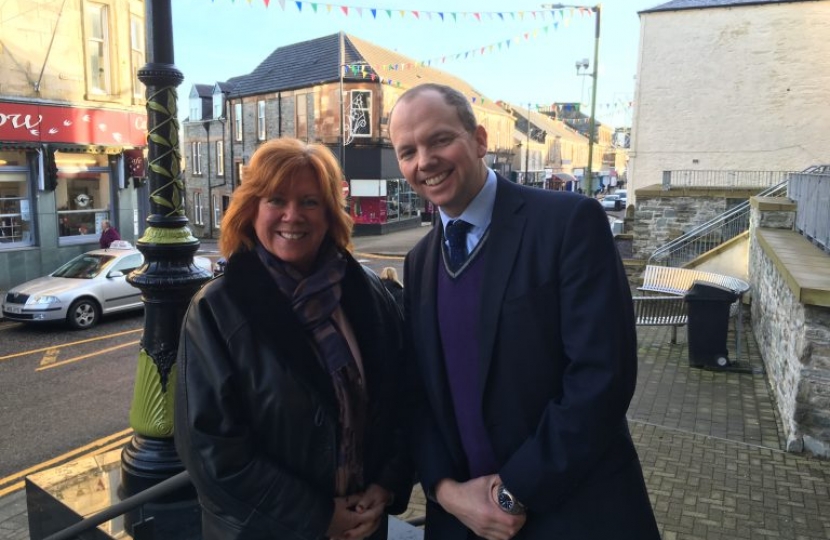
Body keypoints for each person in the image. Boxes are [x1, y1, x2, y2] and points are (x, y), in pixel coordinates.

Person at [389, 83, 660, 540]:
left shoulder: (570, 222)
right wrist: (445, 490)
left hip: (573, 513)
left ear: (479, 141)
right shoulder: (419, 261)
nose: (424, 162)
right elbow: (419, 394)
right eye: (407, 151)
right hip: (462, 521)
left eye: (440, 140)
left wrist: (513, 492)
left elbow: (601, 377)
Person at [174, 138, 412, 540]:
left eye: (310, 202)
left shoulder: (367, 291)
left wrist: (385, 485)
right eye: (276, 200)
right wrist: (317, 517)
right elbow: (212, 451)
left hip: (364, 526)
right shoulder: (216, 310)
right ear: (252, 209)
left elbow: (403, 397)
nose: (292, 216)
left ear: (330, 213)